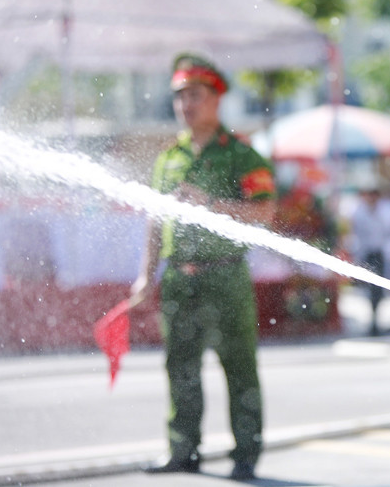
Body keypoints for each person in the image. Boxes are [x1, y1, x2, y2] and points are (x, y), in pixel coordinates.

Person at [131, 53, 275, 481]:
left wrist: (211, 203)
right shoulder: (168, 158)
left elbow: (265, 212)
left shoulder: (241, 155)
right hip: (180, 278)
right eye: (180, 97)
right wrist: (146, 275)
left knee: (239, 368)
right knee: (180, 367)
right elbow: (154, 221)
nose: (186, 105)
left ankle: (245, 454)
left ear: (216, 99)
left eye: (195, 95)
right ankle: (183, 450)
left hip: (225, 275)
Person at [349, 185, 386, 335]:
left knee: (378, 289)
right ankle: (371, 319)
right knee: (369, 289)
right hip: (367, 254)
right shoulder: (359, 212)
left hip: (379, 253)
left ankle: (376, 318)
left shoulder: (383, 211)